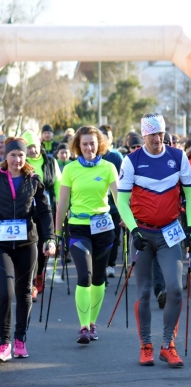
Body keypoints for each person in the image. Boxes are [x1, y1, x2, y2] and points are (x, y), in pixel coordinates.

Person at [118, 113, 191, 368]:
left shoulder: (177, 157)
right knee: (144, 293)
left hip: (170, 233)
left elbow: (189, 193)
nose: (157, 139)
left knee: (175, 289)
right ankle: (146, 345)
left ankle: (167, 345)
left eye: (161, 134)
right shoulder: (132, 161)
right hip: (142, 233)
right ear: (144, 135)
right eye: (152, 134)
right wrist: (133, 230)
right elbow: (121, 200)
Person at [55, 126, 119, 344]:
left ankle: (92, 322)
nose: (89, 147)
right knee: (85, 276)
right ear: (78, 146)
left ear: (99, 144)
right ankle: (83, 327)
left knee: (99, 279)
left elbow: (119, 198)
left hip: (103, 227)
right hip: (79, 227)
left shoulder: (109, 167)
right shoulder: (70, 169)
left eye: (92, 143)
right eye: (84, 144)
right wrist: (56, 233)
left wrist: (130, 223)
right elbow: (62, 202)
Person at [0, 137, 55, 361]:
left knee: (24, 293)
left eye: (21, 155)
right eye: (13, 155)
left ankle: (20, 339)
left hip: (27, 244)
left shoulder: (33, 180)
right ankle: (4, 343)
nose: (17, 159)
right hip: (2, 245)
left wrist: (49, 238)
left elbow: (44, 212)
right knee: (6, 292)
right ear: (6, 156)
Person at [22, 129, 61, 302]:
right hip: (26, 212)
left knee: (43, 245)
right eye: (29, 147)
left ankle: (39, 273)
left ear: (40, 146)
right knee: (31, 246)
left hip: (46, 210)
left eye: (35, 146)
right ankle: (30, 284)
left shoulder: (50, 162)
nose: (33, 150)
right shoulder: (22, 164)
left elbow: (59, 183)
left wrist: (61, 203)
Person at [100, 125, 125, 280]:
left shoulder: (116, 157)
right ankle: (101, 265)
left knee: (114, 237)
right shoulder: (93, 156)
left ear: (111, 139)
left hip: (114, 206)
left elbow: (123, 179)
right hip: (98, 208)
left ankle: (110, 265)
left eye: (106, 137)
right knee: (102, 237)